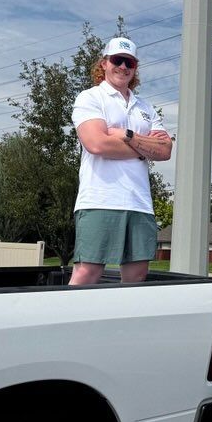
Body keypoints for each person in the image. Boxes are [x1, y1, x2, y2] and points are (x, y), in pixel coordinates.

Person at [69, 37, 172, 285]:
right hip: (100, 199)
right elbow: (96, 144)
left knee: (136, 277)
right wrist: (144, 147)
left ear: (135, 68)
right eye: (117, 60)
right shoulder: (90, 98)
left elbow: (165, 150)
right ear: (104, 63)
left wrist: (125, 135)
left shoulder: (145, 107)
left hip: (139, 203)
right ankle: (67, 322)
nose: (123, 67)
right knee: (87, 273)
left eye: (130, 63)